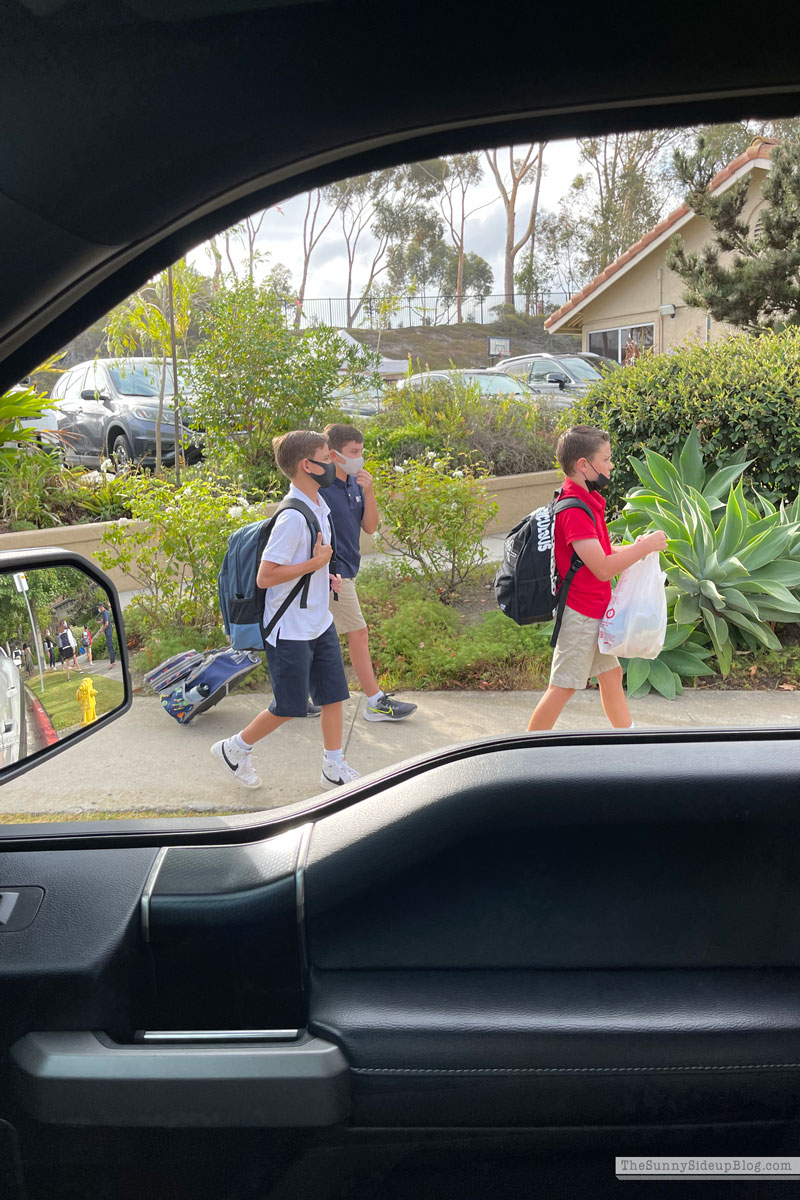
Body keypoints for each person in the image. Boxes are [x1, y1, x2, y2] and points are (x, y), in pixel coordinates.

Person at [211, 430, 360, 791]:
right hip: (290, 628)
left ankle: (333, 766)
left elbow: (312, 562)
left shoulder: (318, 505)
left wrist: (325, 577)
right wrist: (315, 564)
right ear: (307, 465)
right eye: (327, 456)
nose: (333, 462)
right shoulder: (292, 516)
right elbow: (266, 576)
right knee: (289, 705)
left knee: (334, 694)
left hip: (318, 620)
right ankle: (234, 749)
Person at [527, 425, 667, 733]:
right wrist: (644, 547)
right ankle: (528, 751)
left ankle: (627, 739)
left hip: (594, 609)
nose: (611, 465)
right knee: (562, 688)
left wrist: (637, 548)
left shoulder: (584, 500)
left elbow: (599, 552)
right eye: (605, 459)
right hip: (580, 615)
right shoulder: (574, 510)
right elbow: (603, 567)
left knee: (611, 676)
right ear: (583, 465)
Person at [324, 423, 417, 723]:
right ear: (334, 455)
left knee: (314, 636)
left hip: (348, 570)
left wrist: (370, 490)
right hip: (333, 575)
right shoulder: (322, 490)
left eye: (361, 452)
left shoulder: (355, 483)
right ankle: (375, 701)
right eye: (354, 453)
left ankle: (300, 696)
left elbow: (371, 526)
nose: (359, 458)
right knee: (358, 633)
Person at [96, 603, 115, 668]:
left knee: (110, 647)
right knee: (110, 646)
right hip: (108, 631)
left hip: (108, 631)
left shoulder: (105, 613)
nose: (98, 609)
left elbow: (106, 624)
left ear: (101, 607)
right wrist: (100, 622)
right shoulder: (104, 613)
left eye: (98, 607)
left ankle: (112, 662)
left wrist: (102, 630)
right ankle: (113, 661)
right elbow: (104, 620)